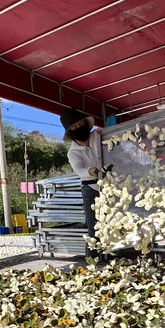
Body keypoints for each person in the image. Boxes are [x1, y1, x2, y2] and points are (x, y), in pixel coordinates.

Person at [60, 107, 103, 261]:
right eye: (74, 127)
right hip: (91, 188)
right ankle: (92, 262)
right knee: (94, 229)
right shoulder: (73, 152)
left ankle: (112, 256)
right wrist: (90, 171)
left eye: (80, 124)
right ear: (70, 132)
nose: (79, 128)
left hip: (110, 187)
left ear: (85, 123)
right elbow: (79, 170)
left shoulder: (98, 136)